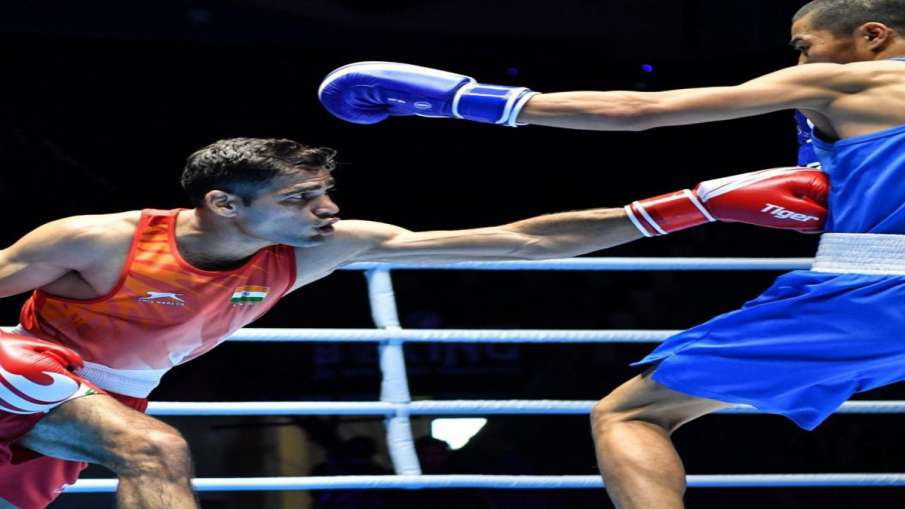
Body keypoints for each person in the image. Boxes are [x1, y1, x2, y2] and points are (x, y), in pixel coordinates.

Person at [0, 135, 826, 508]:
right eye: (299, 198)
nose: (326, 210)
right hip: (28, 364)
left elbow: (518, 241)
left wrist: (689, 207)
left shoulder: (320, 248)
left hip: (107, 391)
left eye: (324, 192)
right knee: (154, 451)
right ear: (223, 203)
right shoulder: (99, 241)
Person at [317, 1, 905, 507]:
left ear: (872, 36)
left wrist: (469, 101)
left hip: (876, 293)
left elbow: (637, 112)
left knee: (631, 415)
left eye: (806, 47)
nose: (801, 62)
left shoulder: (851, 82)